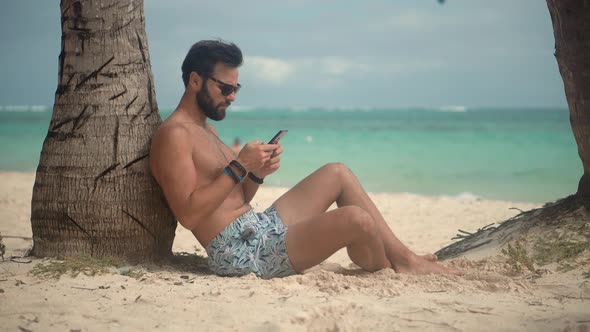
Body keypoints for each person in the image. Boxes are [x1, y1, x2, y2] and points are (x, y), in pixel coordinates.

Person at [150, 40, 461, 279]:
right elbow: (189, 215)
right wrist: (239, 166)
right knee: (357, 219)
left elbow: (237, 198)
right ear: (194, 81)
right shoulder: (174, 135)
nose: (232, 96)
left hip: (258, 225)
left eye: (237, 88)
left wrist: (257, 174)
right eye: (226, 88)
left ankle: (403, 258)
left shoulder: (205, 129)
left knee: (337, 172)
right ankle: (384, 262)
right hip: (241, 251)